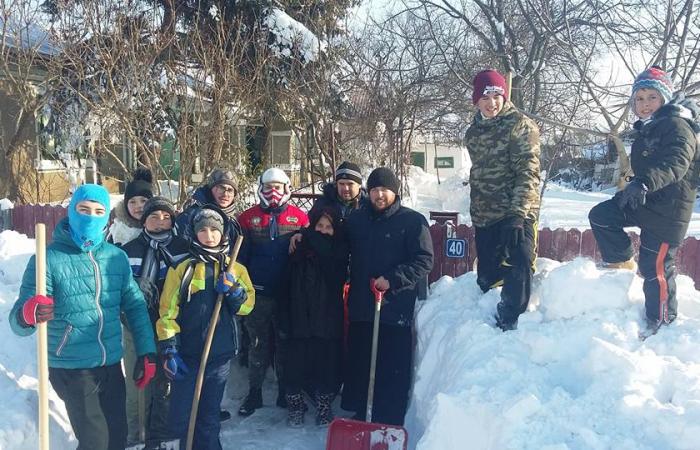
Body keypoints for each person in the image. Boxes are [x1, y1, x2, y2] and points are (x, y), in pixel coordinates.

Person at [9, 183, 157, 450]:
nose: (91, 217)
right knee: (95, 442)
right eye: (84, 209)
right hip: (71, 366)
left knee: (117, 438)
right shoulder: (48, 259)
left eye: (98, 211)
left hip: (110, 363)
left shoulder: (116, 257)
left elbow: (135, 306)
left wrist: (147, 351)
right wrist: (28, 313)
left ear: (107, 216)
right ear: (71, 211)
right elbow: (18, 322)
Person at [588, 66, 700, 337]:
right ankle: (621, 262)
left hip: (668, 213)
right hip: (646, 201)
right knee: (602, 215)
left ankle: (662, 322)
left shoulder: (677, 126)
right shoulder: (650, 128)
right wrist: (633, 189)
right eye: (639, 98)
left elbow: (675, 162)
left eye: (652, 97)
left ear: (665, 98)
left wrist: (644, 182)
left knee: (655, 269)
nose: (645, 103)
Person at [156, 205, 255, 450]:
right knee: (180, 416)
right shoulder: (182, 268)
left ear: (223, 233)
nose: (209, 235)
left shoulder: (235, 268)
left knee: (209, 417)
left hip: (218, 357)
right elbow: (167, 312)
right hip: (187, 356)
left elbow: (247, 307)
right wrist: (170, 348)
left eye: (214, 230)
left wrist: (234, 291)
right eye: (203, 230)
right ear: (194, 233)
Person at [341, 167, 433, 426]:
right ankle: (362, 415)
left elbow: (424, 260)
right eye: (374, 190)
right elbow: (339, 249)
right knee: (361, 365)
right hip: (362, 307)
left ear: (394, 191)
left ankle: (389, 419)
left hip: (393, 310)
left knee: (391, 368)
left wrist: (392, 279)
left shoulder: (412, 221)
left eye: (384, 189)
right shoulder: (357, 220)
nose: (379, 195)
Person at [463, 68, 541, 331]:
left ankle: (512, 321)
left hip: (516, 211)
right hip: (485, 214)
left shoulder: (520, 126)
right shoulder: (473, 133)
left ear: (504, 96)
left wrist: (518, 214)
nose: (492, 103)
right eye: (485, 97)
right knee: (487, 278)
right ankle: (487, 321)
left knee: (520, 258)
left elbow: (528, 172)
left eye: (497, 96)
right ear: (476, 100)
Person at [237, 167, 309, 416]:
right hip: (257, 293)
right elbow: (240, 258)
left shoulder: (300, 218)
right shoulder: (247, 218)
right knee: (257, 343)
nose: (273, 192)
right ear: (260, 188)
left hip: (287, 294)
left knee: (284, 343)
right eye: (268, 187)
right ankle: (254, 392)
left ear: (287, 188)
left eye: (278, 187)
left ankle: (284, 392)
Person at [120, 196, 190, 449]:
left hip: (172, 328)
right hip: (137, 329)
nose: (160, 221)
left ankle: (162, 436)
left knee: (166, 383)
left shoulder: (184, 248)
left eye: (166, 217)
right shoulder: (128, 251)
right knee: (139, 384)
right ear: (144, 220)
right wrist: (133, 292)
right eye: (154, 216)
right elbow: (117, 292)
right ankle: (137, 435)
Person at [278, 207, 348, 427]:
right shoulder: (297, 248)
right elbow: (286, 281)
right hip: (299, 314)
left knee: (326, 366)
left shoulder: (338, 251)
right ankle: (296, 407)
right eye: (319, 226)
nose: (324, 231)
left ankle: (324, 406)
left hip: (327, 317)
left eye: (328, 227)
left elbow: (334, 272)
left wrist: (307, 235)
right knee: (294, 365)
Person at [289, 161, 366, 252]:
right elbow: (311, 225)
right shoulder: (323, 203)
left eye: (350, 184)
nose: (345, 188)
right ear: (336, 184)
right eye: (341, 184)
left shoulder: (367, 205)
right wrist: (301, 234)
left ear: (359, 185)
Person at [175, 167, 241, 245]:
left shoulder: (235, 221)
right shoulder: (190, 217)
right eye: (221, 188)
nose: (225, 194)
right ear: (210, 189)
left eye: (230, 190)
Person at [108, 167, 154, 246]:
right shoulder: (118, 230)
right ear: (126, 205)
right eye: (132, 202)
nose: (138, 206)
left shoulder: (161, 225)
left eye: (143, 201)